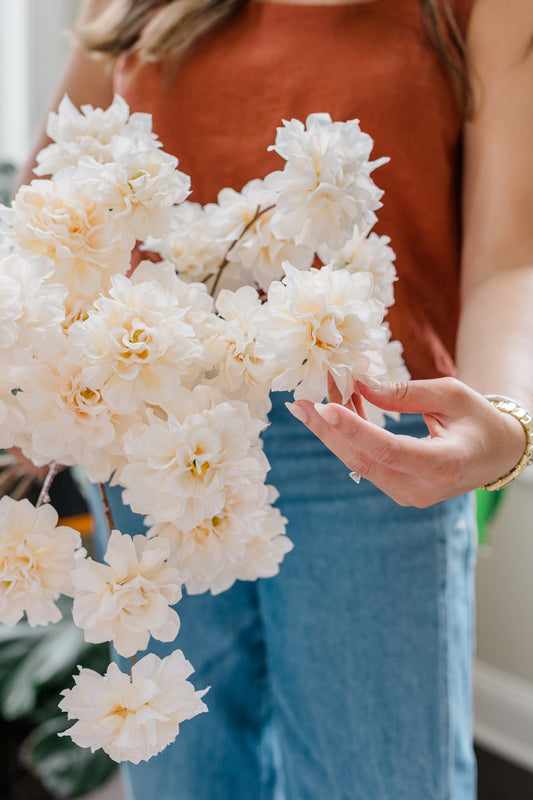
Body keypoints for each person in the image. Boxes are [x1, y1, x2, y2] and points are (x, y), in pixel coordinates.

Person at [16, 0, 533, 798]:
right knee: (182, 779)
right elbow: (50, 196)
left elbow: (509, 258)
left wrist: (504, 422)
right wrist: (35, 376)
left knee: (380, 783)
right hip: (148, 436)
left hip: (366, 445)